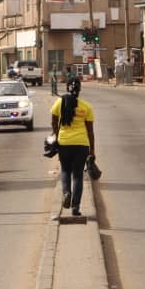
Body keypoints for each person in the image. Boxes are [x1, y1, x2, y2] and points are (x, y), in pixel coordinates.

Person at [50, 77, 95, 217]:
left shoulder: (59, 102)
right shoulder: (86, 107)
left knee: (65, 171)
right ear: (80, 89)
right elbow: (90, 131)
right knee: (78, 175)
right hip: (81, 145)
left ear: (67, 87)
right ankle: (75, 207)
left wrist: (57, 136)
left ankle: (66, 193)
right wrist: (92, 150)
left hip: (64, 143)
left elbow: (53, 120)